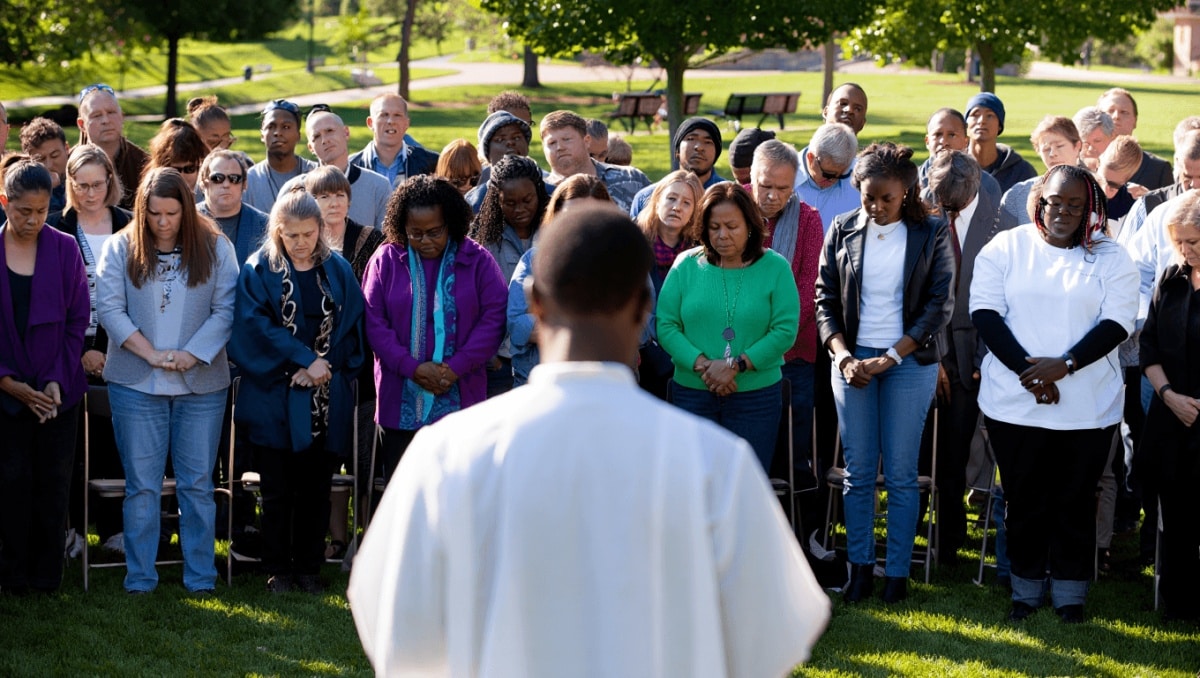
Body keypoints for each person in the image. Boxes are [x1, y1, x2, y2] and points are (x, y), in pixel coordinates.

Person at [348, 203, 830, 677]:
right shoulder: (715, 463)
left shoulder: (446, 455)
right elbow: (774, 635)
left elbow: (394, 625)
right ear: (643, 309)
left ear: (535, 303)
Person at [971, 164, 1137, 623]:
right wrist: (1033, 375)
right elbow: (985, 313)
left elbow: (1117, 323)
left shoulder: (1111, 256)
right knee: (1023, 500)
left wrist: (1064, 367)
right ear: (1039, 202)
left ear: (1091, 210)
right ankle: (1024, 591)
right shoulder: (1007, 247)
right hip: (1014, 402)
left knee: (1074, 501)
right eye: (1054, 202)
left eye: (1075, 205)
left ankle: (1069, 596)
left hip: (1087, 407)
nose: (1063, 212)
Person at [815, 142, 955, 604]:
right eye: (867, 197)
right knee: (857, 473)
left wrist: (891, 356)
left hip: (909, 362)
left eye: (886, 199)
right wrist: (842, 356)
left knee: (899, 472)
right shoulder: (841, 229)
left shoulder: (932, 232)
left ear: (907, 192)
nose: (875, 207)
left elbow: (939, 306)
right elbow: (825, 301)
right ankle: (859, 570)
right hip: (851, 363)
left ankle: (896, 573)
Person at [96, 167, 239, 594]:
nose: (162, 222)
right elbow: (110, 308)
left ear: (186, 210)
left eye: (172, 213)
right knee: (142, 486)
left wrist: (192, 354)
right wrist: (152, 354)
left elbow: (226, 308)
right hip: (136, 382)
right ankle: (140, 578)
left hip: (202, 384)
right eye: (154, 214)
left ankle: (200, 577)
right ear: (142, 211)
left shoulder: (216, 246)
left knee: (197, 485)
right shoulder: (121, 247)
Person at [228, 187, 365, 594]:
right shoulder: (258, 270)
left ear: (320, 230)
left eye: (308, 234)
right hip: (275, 394)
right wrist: (302, 360)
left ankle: (308, 567)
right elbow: (254, 328)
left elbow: (353, 328)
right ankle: (277, 570)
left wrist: (322, 367)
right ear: (277, 232)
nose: (301, 243)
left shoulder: (337, 269)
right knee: (276, 490)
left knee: (316, 490)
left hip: (324, 393)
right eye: (292, 235)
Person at [363, 175, 507, 484]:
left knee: (459, 489)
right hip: (398, 395)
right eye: (415, 233)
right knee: (404, 489)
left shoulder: (477, 260)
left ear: (451, 224)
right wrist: (412, 368)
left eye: (434, 232)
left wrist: (456, 367)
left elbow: (494, 318)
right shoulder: (385, 260)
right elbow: (374, 322)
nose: (425, 240)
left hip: (461, 395)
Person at [657, 182, 800, 471]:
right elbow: (667, 324)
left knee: (745, 486)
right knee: (695, 484)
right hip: (693, 395)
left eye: (732, 226)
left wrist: (736, 365)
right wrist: (704, 366)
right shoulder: (685, 265)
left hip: (755, 398)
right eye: (714, 227)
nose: (722, 235)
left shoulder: (776, 267)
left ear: (750, 225)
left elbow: (784, 329)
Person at [0, 159, 89, 594]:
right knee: (10, 485)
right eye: (23, 212)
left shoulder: (65, 248)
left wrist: (55, 379)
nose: (33, 220)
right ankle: (12, 576)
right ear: (5, 203)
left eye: (40, 211)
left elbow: (78, 321)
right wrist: (6, 382)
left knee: (53, 487)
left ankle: (46, 578)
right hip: (4, 395)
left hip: (58, 394)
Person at [46, 145, 132, 554]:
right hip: (69, 348)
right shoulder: (56, 228)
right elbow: (54, 298)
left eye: (98, 184)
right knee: (74, 445)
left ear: (111, 182)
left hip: (126, 346)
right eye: (81, 186)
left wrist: (112, 346)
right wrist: (82, 349)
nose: (91, 193)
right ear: (70, 184)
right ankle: (73, 530)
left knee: (118, 440)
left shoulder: (129, 225)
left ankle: (116, 528)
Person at [925, 149, 1005, 565]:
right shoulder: (922, 212)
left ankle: (950, 541)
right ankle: (918, 529)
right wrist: (933, 356)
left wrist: (983, 359)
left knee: (956, 450)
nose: (946, 211)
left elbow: (1004, 300)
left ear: (974, 190)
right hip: (925, 349)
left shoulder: (1001, 222)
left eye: (954, 206)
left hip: (975, 353)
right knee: (923, 449)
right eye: (941, 203)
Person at [1139, 190, 1200, 622]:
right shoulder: (1170, 278)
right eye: (1178, 241)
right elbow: (1149, 348)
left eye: (1193, 241)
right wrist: (1169, 397)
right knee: (1175, 516)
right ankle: (1178, 604)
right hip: (1171, 417)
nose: (1184, 250)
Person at [748, 140, 824, 482]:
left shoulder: (808, 220)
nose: (773, 196)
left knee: (793, 450)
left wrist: (771, 339)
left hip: (792, 352)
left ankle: (797, 529)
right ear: (751, 177)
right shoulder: (729, 210)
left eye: (784, 188)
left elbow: (808, 289)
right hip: (734, 349)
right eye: (765, 186)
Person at [508, 176, 613, 386]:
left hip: (605, 385)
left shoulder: (623, 260)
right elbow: (516, 323)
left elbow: (644, 322)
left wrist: (550, 323)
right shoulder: (533, 260)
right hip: (540, 384)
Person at [469, 155, 551, 397]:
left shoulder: (555, 234)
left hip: (550, 359)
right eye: (510, 203)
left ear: (539, 192)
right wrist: (490, 357)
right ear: (496, 200)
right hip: (501, 364)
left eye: (527, 200)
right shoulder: (484, 243)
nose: (520, 209)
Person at [635, 169, 704, 399]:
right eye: (671, 198)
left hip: (692, 355)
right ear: (657, 201)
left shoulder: (701, 250)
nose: (677, 207)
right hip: (646, 356)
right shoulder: (634, 241)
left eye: (686, 203)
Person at [294, 108, 392, 229]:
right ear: (310, 148)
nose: (325, 140)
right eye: (316, 136)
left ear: (346, 132)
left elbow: (388, 243)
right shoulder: (296, 190)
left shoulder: (378, 186)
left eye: (330, 131)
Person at [540, 110, 650, 213]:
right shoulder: (538, 191)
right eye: (552, 143)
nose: (560, 147)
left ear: (587, 141)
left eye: (567, 139)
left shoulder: (631, 178)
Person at [628, 116, 726, 217]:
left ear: (716, 154)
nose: (699, 147)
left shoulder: (729, 196)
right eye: (691, 139)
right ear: (677, 151)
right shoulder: (648, 197)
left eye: (708, 142)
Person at [998, 116, 1083, 230]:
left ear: (1077, 146)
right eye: (1046, 149)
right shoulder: (1017, 195)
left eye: (1059, 146)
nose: (1053, 153)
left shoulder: (1099, 190)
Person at [305, 166, 385, 282]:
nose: (334, 204)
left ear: (349, 201)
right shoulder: (304, 242)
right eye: (325, 197)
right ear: (312, 202)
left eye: (340, 195)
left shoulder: (372, 240)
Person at [76, 84, 149, 210]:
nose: (106, 120)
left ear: (122, 117)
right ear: (82, 124)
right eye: (97, 115)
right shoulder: (68, 164)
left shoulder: (144, 164)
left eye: (111, 112)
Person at [349, 93, 439, 189]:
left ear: (406, 123)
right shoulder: (350, 167)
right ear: (370, 123)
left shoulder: (432, 164)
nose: (391, 121)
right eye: (384, 115)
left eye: (397, 115)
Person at [196, 149, 269, 266]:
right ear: (203, 184)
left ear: (244, 184)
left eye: (234, 178)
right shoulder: (186, 221)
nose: (226, 184)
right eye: (217, 178)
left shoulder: (265, 226)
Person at [245, 100, 317, 214]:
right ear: (262, 135)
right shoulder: (250, 180)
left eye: (286, 127)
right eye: (271, 127)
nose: (278, 132)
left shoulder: (315, 173)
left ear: (298, 135)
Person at [1097, 88, 1174, 191]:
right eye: (1110, 111)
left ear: (1135, 121)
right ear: (1096, 119)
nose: (1116, 116)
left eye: (1124, 112)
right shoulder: (1083, 164)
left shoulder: (1159, 169)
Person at [464, 110, 539, 212]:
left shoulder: (550, 193)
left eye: (517, 137)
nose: (510, 142)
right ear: (487, 152)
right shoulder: (474, 202)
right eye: (499, 140)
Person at [965, 93, 1037, 193]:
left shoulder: (1022, 172)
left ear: (1000, 125)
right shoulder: (952, 168)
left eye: (990, 115)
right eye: (975, 114)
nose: (982, 121)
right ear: (966, 124)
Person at [793, 123, 860, 230]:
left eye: (842, 175)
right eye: (828, 175)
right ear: (811, 158)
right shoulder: (782, 175)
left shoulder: (861, 176)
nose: (834, 180)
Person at [18, 117, 69, 213]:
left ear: (66, 149)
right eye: (40, 159)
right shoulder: (21, 192)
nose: (49, 165)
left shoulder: (83, 179)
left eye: (55, 155)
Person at [147, 118, 208, 193]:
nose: (181, 176)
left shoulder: (208, 197)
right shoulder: (151, 195)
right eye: (174, 170)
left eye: (189, 169)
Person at [1098, 135, 1146, 222]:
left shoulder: (1129, 206)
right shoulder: (1081, 188)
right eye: (1100, 180)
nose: (1104, 189)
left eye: (1113, 186)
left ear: (1126, 181)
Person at [1073, 106, 1114, 173]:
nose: (1090, 149)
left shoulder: (1127, 167)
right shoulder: (1067, 171)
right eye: (1085, 143)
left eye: (1097, 141)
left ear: (1112, 137)